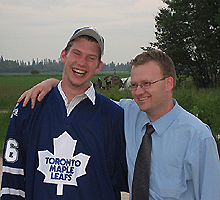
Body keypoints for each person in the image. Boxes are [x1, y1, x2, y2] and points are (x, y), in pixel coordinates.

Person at [16, 50, 220, 199]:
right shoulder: (128, 113)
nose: (139, 92)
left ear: (169, 83)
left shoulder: (197, 137)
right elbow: (85, 100)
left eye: (147, 84)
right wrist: (53, 83)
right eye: (134, 85)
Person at [0, 27, 128, 199]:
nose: (82, 63)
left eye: (91, 58)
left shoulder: (114, 116)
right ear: (63, 55)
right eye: (76, 53)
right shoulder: (28, 107)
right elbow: (12, 178)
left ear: (98, 66)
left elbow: (125, 177)